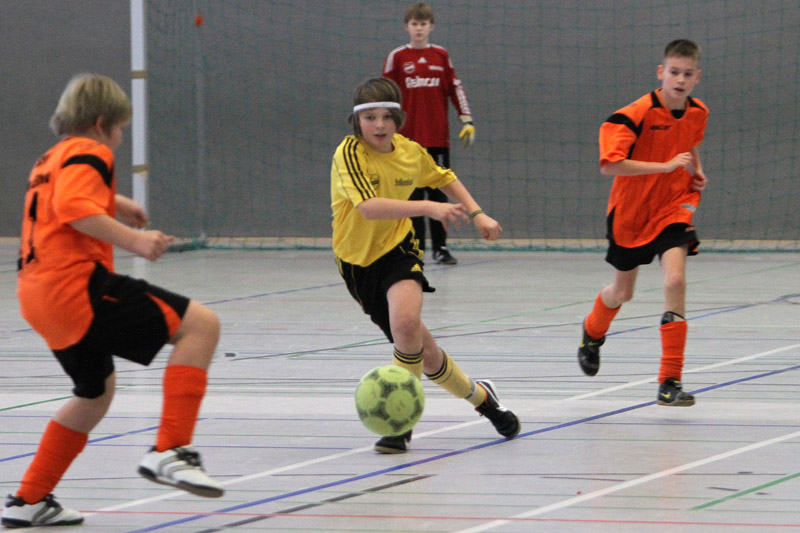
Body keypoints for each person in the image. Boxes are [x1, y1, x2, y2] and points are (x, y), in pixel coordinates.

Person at [2, 74, 224, 529]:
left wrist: (113, 201)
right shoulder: (93, 151)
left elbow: (61, 196)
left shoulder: (50, 157)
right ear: (102, 123)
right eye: (121, 129)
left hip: (36, 295)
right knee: (201, 326)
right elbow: (72, 207)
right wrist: (135, 240)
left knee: (94, 394)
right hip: (75, 288)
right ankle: (171, 449)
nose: (120, 138)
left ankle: (29, 499)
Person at [331, 77, 520, 454]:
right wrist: (429, 207)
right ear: (357, 121)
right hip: (356, 264)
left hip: (398, 250)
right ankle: (483, 399)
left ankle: (400, 424)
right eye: (370, 117)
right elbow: (368, 208)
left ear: (398, 119)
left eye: (387, 116)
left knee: (405, 324)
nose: (379, 125)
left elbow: (446, 179)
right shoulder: (349, 153)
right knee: (426, 353)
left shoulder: (410, 152)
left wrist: (478, 214)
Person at [577, 40, 709, 406]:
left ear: (697, 77)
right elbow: (610, 164)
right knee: (623, 293)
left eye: (687, 74)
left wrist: (696, 171)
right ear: (660, 72)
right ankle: (592, 331)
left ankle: (669, 381)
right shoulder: (634, 114)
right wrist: (664, 167)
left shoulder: (698, 112)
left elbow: (690, 142)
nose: (679, 80)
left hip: (673, 207)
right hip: (631, 214)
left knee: (675, 281)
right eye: (674, 72)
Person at [382, 2, 475, 266]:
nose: (419, 29)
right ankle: (415, 249)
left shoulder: (441, 56)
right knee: (411, 196)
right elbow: (385, 95)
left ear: (431, 26)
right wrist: (386, 129)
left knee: (438, 195)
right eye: (414, 24)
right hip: (406, 142)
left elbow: (455, 88)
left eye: (423, 24)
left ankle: (441, 248)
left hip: (437, 139)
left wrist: (466, 120)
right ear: (406, 27)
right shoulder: (397, 57)